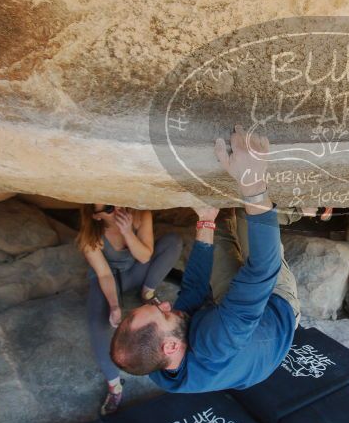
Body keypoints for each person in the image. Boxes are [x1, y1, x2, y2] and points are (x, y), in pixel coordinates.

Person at [110, 125, 302, 393]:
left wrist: (205, 222)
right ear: (172, 346)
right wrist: (252, 182)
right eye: (162, 313)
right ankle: (301, 209)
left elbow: (194, 291)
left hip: (229, 326)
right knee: (249, 217)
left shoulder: (155, 361)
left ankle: (220, 216)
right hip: (274, 308)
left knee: (219, 218)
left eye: (157, 305)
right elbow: (262, 269)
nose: (165, 303)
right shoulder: (216, 341)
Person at [77, 204, 182, 414]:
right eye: (108, 208)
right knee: (97, 324)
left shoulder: (141, 213)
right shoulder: (90, 236)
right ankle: (114, 386)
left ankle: (147, 292)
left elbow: (145, 256)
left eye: (115, 200)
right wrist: (115, 306)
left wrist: (126, 231)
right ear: (97, 216)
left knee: (173, 242)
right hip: (111, 278)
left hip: (138, 269)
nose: (116, 208)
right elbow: (104, 275)